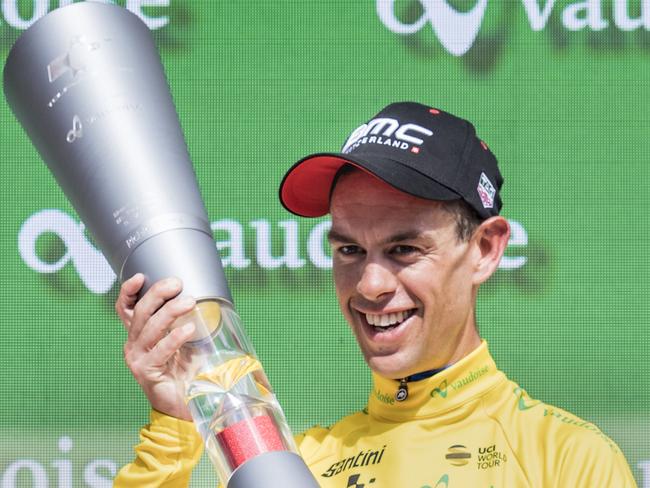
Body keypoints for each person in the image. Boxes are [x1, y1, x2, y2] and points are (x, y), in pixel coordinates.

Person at [114, 102, 637, 487]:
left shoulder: (568, 460)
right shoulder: (302, 464)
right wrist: (175, 424)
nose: (369, 286)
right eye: (348, 251)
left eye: (405, 249)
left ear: (484, 248)